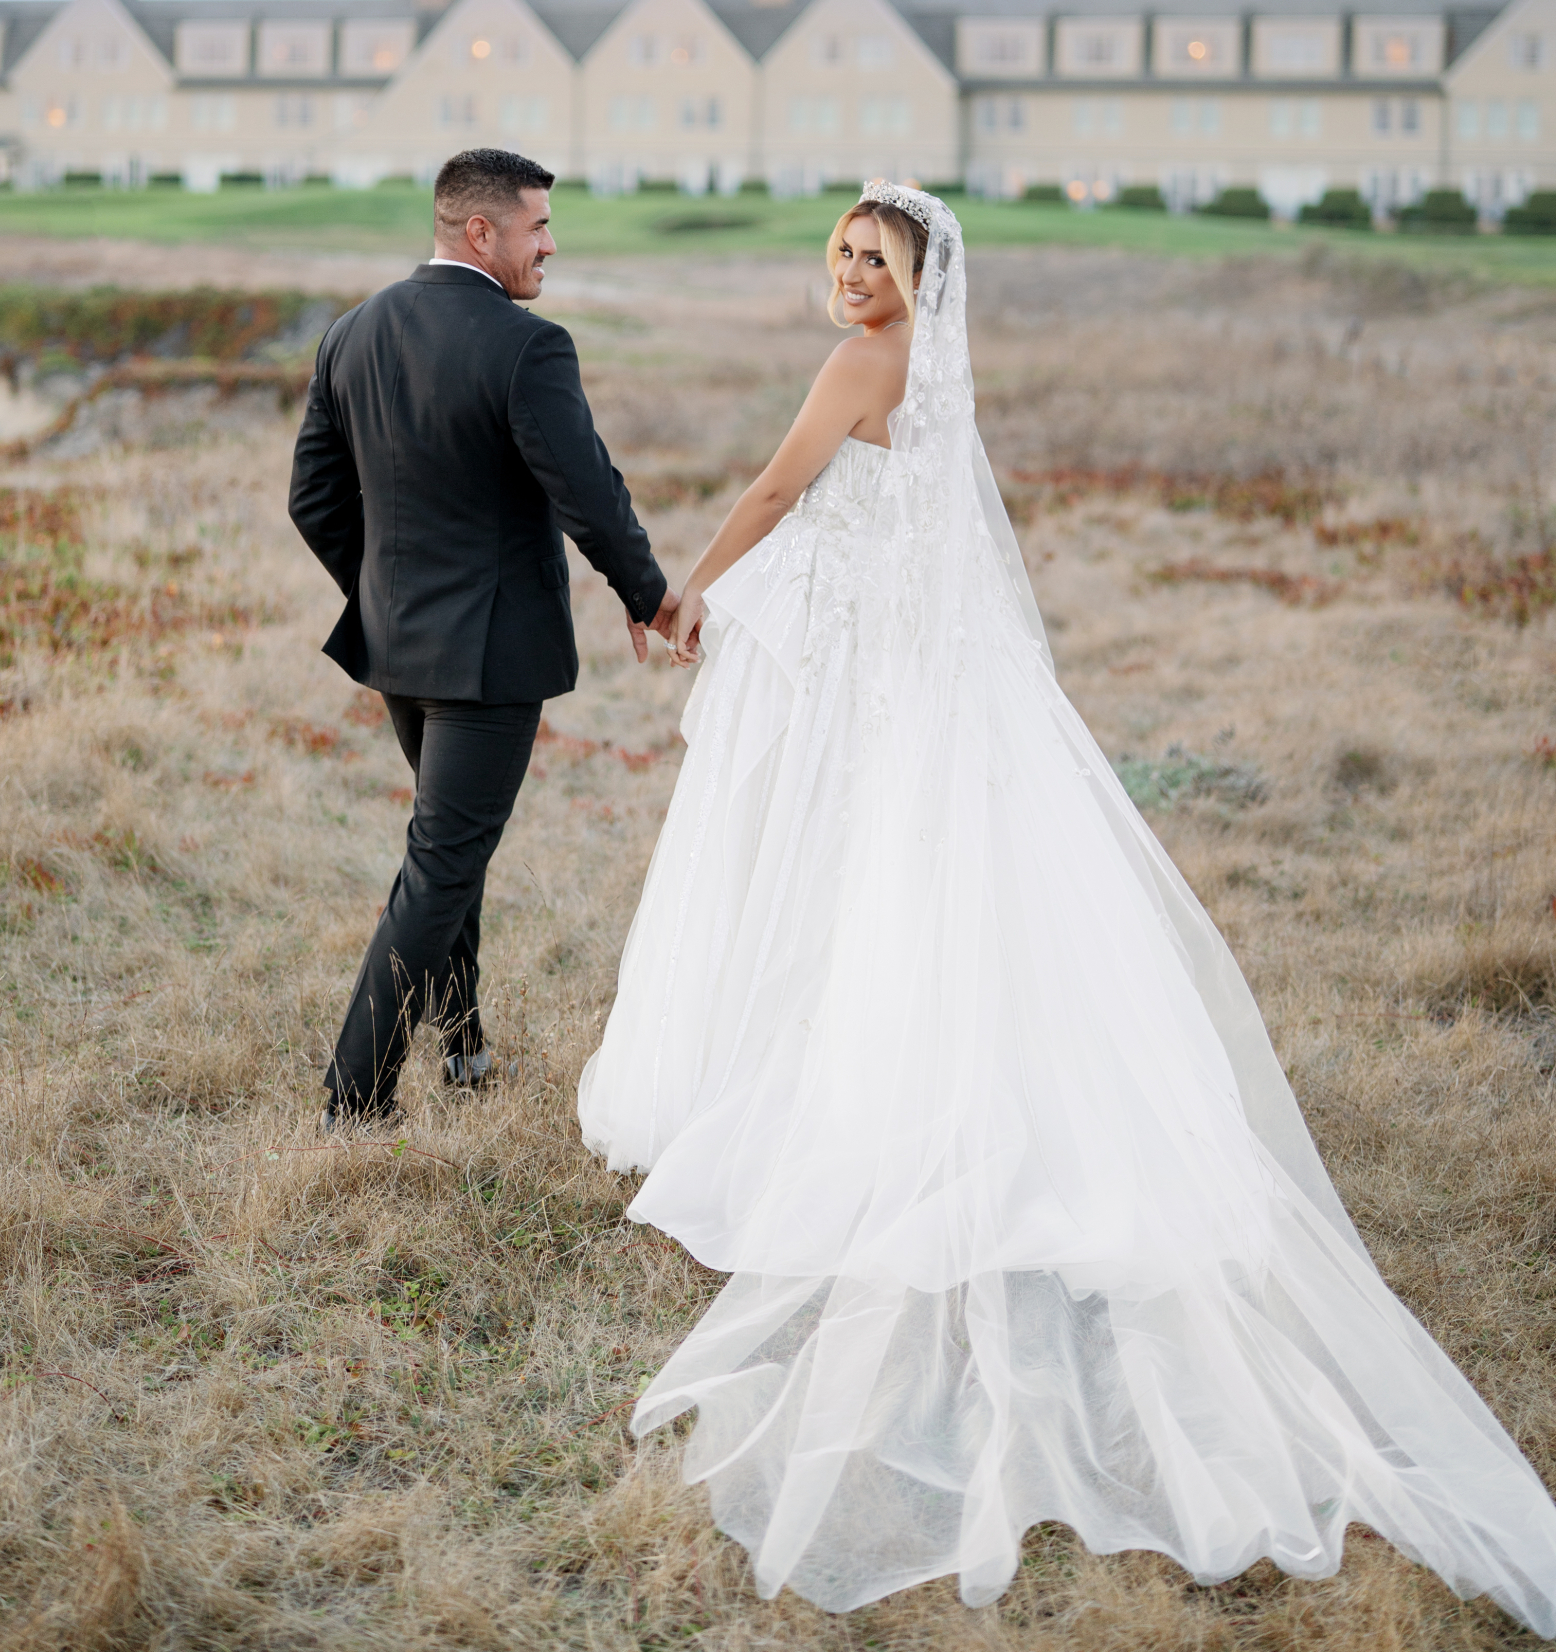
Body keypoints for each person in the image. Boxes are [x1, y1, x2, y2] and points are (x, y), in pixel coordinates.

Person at [579, 180, 1556, 1632]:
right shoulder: (934, 368)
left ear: (921, 279)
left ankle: (895, 1124)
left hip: (908, 696)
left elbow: (784, 488)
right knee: (970, 915)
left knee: (895, 905)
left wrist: (687, 591)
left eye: (879, 259)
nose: (852, 275)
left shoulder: (863, 363)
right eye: (843, 253)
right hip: (948, 688)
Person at [290, 147, 677, 1129]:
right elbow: (587, 491)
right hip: (488, 655)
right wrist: (647, 591)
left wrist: (387, 590)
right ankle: (355, 1096)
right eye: (537, 226)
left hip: (400, 646)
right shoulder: (526, 344)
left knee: (446, 846)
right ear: (481, 231)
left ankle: (461, 1040)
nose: (551, 244)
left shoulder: (351, 332)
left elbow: (313, 499)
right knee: (445, 862)